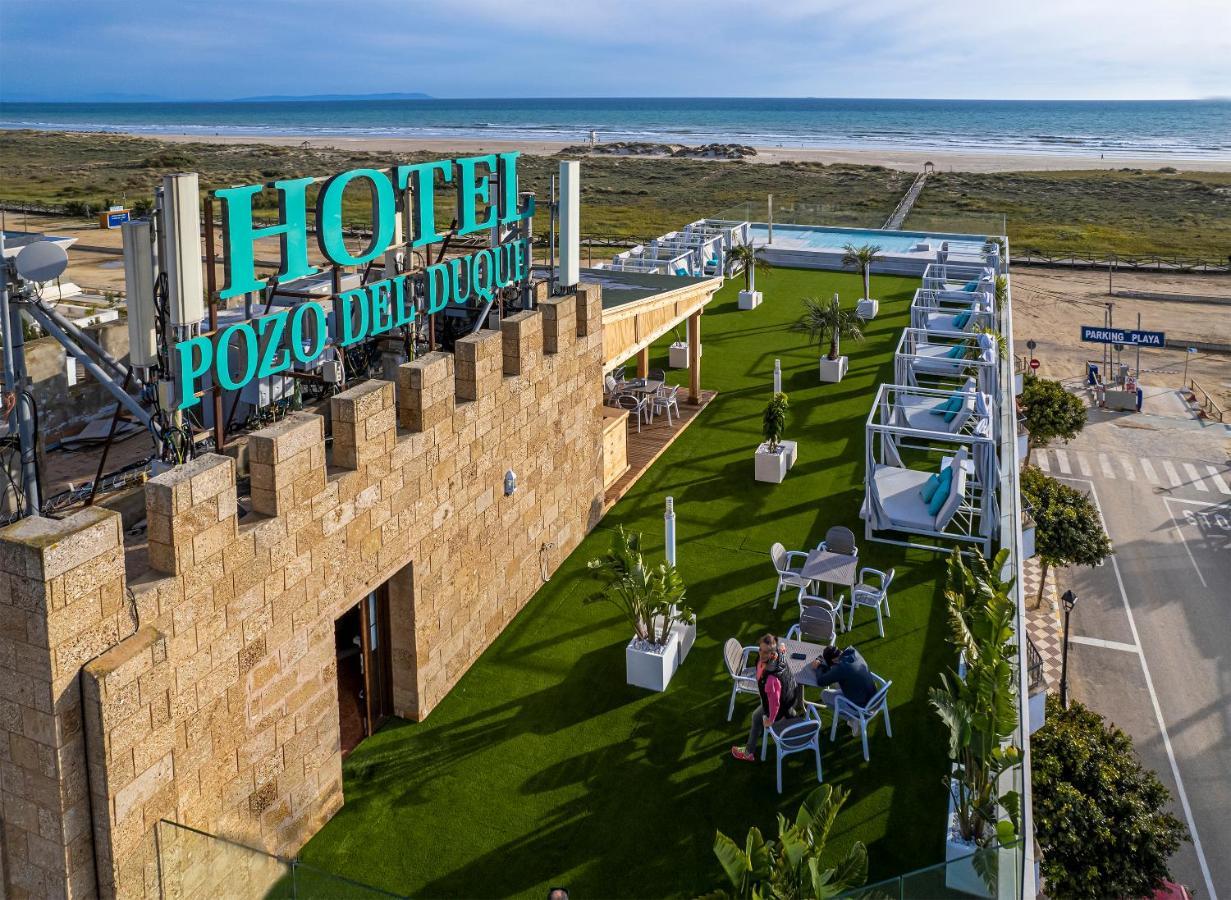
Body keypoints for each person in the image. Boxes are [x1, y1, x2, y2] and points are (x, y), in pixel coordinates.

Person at [730, 633, 802, 762]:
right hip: (790, 696)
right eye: (760, 650)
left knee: (756, 717)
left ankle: (749, 752)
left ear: (772, 654)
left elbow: (775, 704)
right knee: (788, 712)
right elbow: (781, 646)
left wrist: (771, 720)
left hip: (779, 702)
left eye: (766, 652)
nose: (761, 654)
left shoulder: (771, 679)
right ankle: (795, 724)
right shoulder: (780, 654)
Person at [811, 645, 877, 730]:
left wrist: (818, 667)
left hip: (864, 708)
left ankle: (854, 720)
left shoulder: (841, 668)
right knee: (839, 682)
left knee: (825, 694)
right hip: (875, 699)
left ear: (834, 660)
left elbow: (821, 682)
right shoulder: (853, 652)